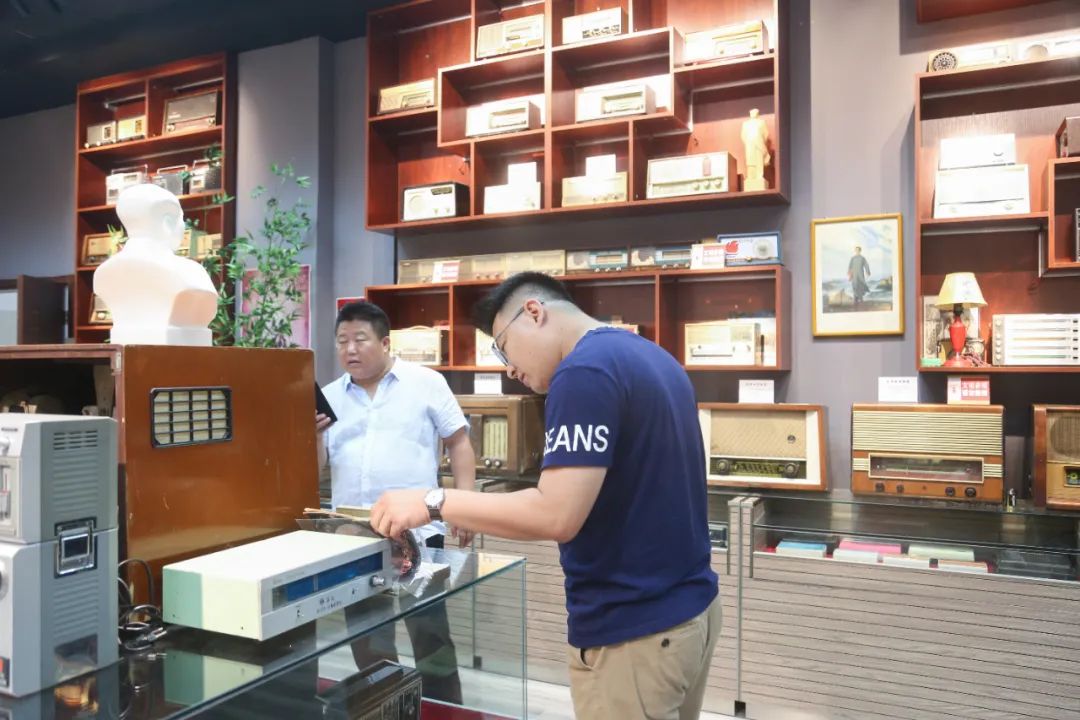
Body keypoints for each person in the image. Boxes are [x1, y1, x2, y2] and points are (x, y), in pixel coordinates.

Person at [370, 272, 721, 720]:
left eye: (503, 347)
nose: (509, 368)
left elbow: (556, 514)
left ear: (534, 312)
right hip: (691, 613)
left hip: (635, 630)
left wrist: (433, 502)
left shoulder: (583, 371)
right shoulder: (651, 356)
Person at [316, 300, 477, 704]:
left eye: (360, 339)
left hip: (418, 532)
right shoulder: (330, 397)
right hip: (354, 537)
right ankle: (386, 708)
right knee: (367, 636)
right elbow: (316, 467)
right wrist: (312, 435)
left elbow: (459, 443)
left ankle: (444, 708)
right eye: (342, 341)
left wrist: (465, 506)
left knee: (430, 633)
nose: (350, 349)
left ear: (385, 342)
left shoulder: (426, 383)